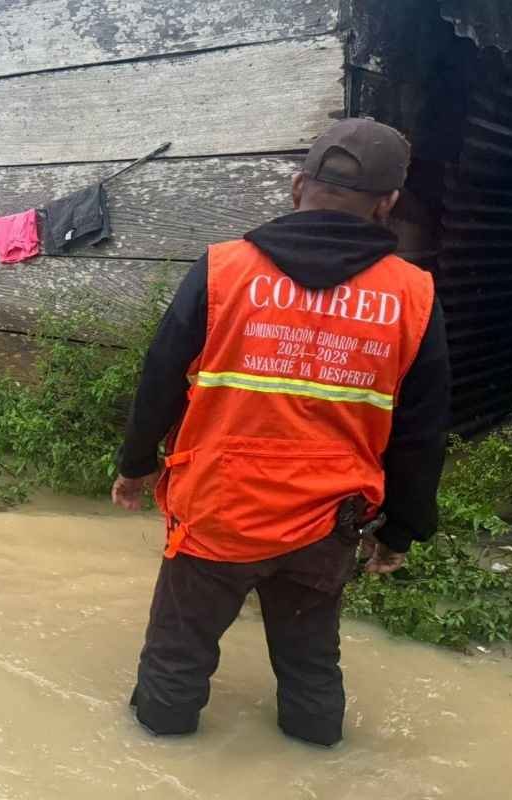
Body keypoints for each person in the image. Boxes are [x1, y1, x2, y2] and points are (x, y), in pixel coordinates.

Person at [111, 119, 450, 746]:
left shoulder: (223, 269)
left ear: (298, 187)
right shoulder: (413, 296)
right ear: (388, 204)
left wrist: (135, 465)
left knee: (175, 665)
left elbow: (160, 376)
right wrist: (401, 530)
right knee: (312, 670)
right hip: (327, 522)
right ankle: (319, 765)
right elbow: (423, 429)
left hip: (217, 512)